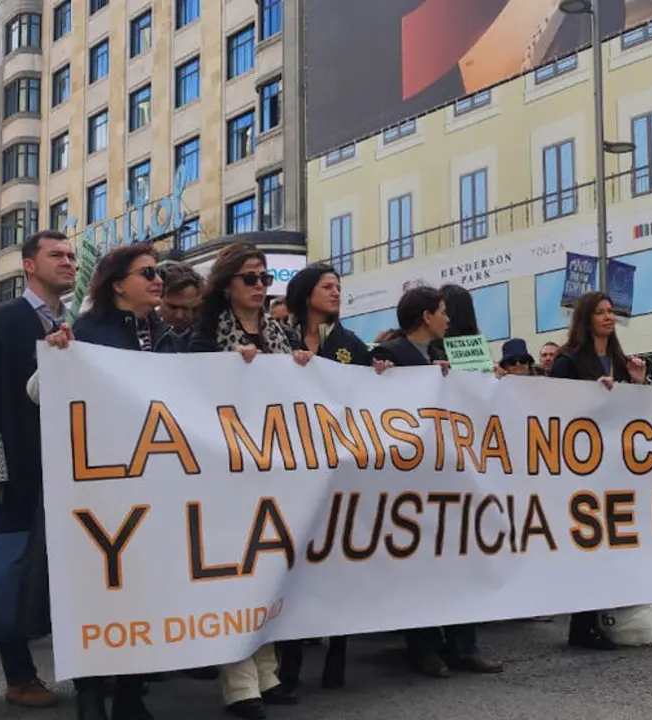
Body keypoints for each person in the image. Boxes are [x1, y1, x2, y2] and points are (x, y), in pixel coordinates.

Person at [37, 243, 168, 720]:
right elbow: (37, 391)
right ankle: (91, 694)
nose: (159, 281)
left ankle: (131, 694)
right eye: (148, 272)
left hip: (150, 479)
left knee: (142, 588)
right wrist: (55, 357)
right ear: (118, 283)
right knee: (96, 588)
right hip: (97, 482)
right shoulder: (84, 332)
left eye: (161, 274)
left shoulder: (163, 333)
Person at [189, 240, 310, 720]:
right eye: (249, 278)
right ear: (227, 284)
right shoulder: (205, 334)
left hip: (274, 467)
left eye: (264, 279)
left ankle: (267, 674)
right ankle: (240, 687)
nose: (260, 287)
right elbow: (190, 388)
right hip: (226, 469)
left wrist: (302, 364)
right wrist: (225, 367)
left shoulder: (281, 333)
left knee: (267, 569)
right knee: (235, 573)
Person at [0, 229, 77, 708]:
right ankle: (19, 674)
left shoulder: (78, 322)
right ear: (29, 264)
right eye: (56, 255)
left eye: (71, 255)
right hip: (20, 465)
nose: (68, 262)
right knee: (15, 566)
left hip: (70, 465)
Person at [373, 286, 503, 678]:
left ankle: (465, 645)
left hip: (451, 470)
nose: (448, 319)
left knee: (461, 558)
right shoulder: (390, 356)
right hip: (412, 476)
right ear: (426, 316)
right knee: (421, 566)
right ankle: (425, 647)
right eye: (442, 312)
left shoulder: (442, 356)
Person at [276, 264, 390, 692]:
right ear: (306, 293)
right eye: (328, 287)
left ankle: (337, 653)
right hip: (295, 466)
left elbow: (371, 379)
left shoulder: (346, 342)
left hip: (339, 468)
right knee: (295, 563)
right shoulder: (280, 337)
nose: (336, 293)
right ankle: (288, 663)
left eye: (340, 287)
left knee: (338, 559)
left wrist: (380, 369)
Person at [549, 292, 646, 649]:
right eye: (601, 312)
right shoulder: (569, 361)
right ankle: (582, 623)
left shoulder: (620, 360)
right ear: (586, 318)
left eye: (611, 312)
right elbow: (554, 409)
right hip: (582, 467)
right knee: (587, 545)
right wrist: (590, 396)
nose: (608, 317)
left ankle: (599, 618)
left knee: (610, 545)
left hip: (615, 467)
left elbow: (638, 416)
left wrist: (635, 384)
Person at [158, 262, 203, 351]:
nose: (179, 316)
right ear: (159, 299)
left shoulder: (209, 335)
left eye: (186, 308)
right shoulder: (146, 332)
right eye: (173, 307)